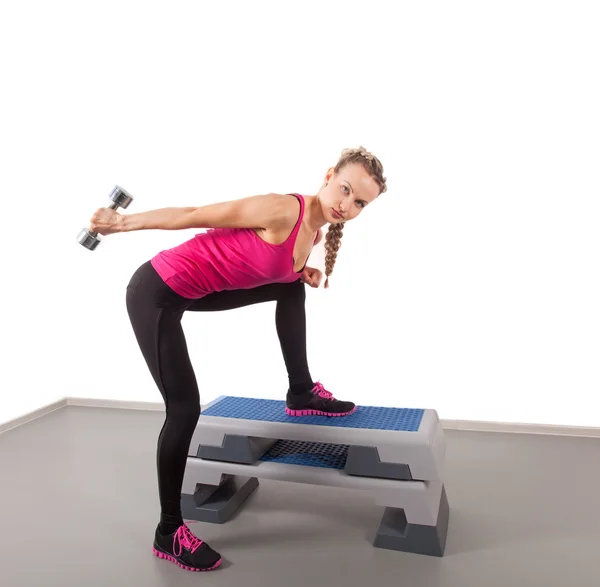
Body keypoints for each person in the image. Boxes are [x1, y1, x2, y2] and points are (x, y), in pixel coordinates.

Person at [88, 146, 387, 572]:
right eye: (344, 189)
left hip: (193, 292)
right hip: (155, 292)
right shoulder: (283, 210)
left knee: (290, 287)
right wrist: (123, 223)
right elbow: (197, 214)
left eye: (360, 202)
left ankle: (301, 392)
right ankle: (168, 532)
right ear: (327, 176)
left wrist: (303, 272)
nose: (347, 205)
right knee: (184, 407)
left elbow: (262, 265)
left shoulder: (313, 234)